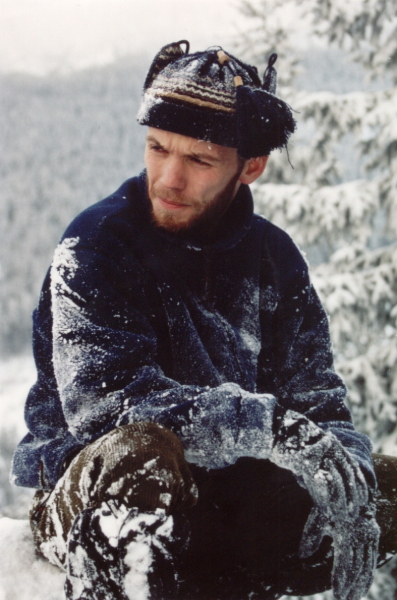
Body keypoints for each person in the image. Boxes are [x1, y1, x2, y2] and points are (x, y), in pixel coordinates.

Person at [10, 40, 397, 600]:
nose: (168, 178)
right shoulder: (95, 246)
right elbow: (107, 408)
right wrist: (267, 427)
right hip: (100, 493)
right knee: (141, 453)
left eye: (198, 160)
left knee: (383, 489)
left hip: (228, 504)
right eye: (157, 147)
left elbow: (319, 402)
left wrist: (348, 477)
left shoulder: (276, 260)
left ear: (252, 166)